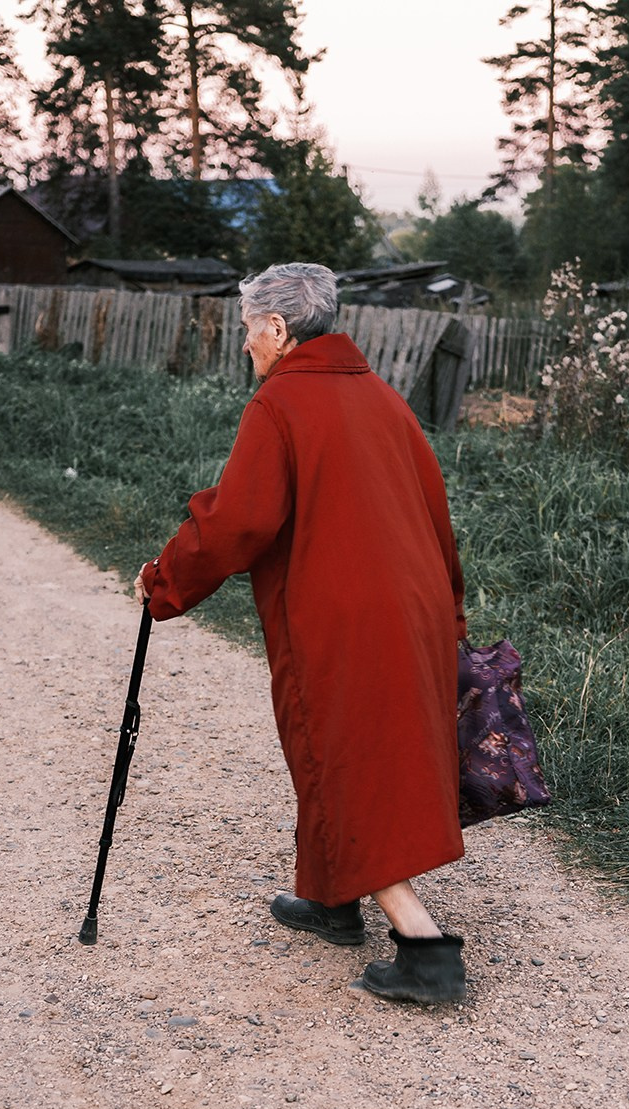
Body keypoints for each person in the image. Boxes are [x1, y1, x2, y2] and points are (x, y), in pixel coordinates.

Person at [134, 261, 468, 1004]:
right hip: (414, 602)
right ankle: (328, 899)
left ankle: (425, 948)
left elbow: (238, 520)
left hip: (337, 613)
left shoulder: (280, 403)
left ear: (279, 328)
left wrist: (164, 580)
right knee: (335, 745)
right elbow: (434, 506)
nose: (245, 344)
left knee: (338, 754)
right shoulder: (382, 395)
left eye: (248, 329)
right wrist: (451, 607)